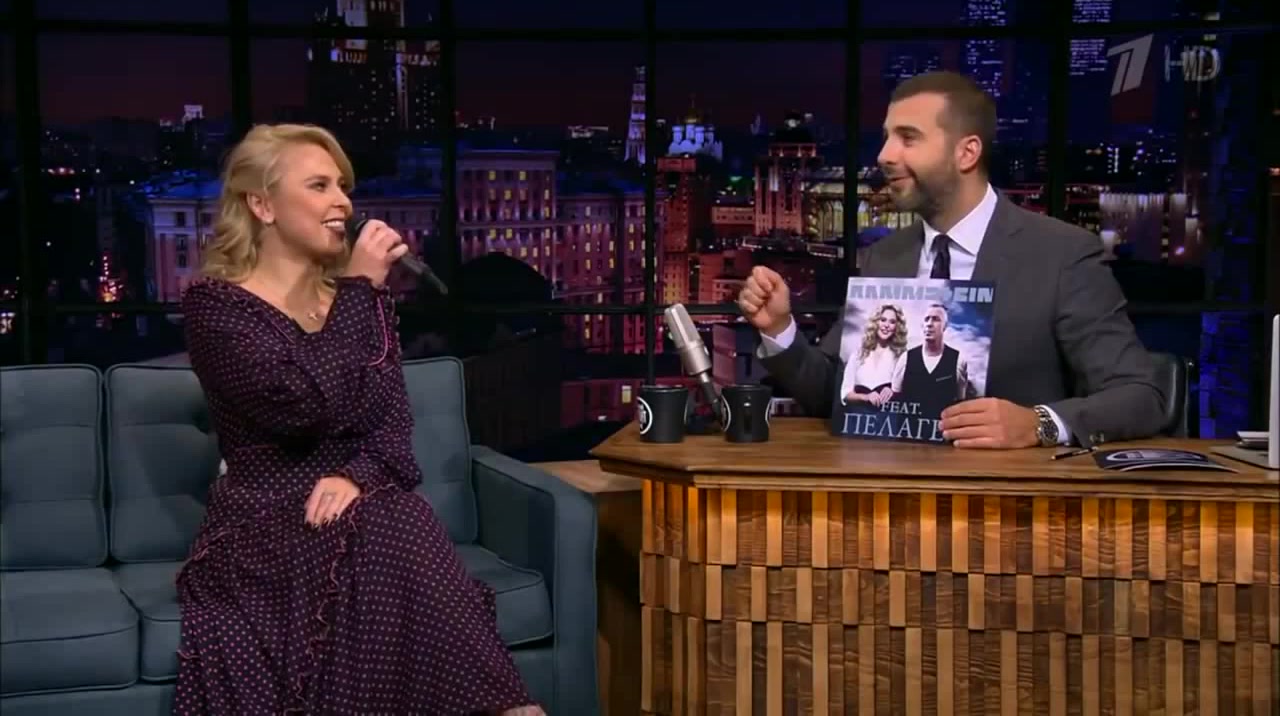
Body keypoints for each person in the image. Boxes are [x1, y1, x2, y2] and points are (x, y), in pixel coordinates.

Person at [176, 123, 542, 715]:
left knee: (388, 515)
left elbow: (393, 426)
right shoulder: (217, 308)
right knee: (394, 522)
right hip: (265, 520)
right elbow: (299, 406)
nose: (343, 203)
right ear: (262, 205)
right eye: (319, 186)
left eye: (343, 186)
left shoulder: (359, 303)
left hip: (361, 507)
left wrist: (356, 477)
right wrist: (358, 288)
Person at [737, 71, 1166, 449]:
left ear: (967, 153)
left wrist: (1039, 424)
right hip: (888, 495)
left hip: (1011, 503)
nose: (885, 155)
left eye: (908, 138)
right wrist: (779, 329)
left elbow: (1141, 396)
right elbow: (834, 392)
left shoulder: (1061, 255)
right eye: (886, 137)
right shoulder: (885, 256)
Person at [889, 302, 977, 416]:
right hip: (907, 426)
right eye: (926, 319)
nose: (929, 324)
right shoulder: (906, 359)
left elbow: (960, 400)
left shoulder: (958, 361)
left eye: (936, 319)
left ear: (945, 326)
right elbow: (895, 398)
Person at [838, 303, 908, 408]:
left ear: (897, 327)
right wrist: (866, 397)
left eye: (892, 322)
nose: (886, 325)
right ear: (875, 323)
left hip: (886, 414)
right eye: (883, 320)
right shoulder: (858, 355)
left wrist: (893, 390)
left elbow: (906, 392)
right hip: (858, 413)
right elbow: (845, 394)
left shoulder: (901, 357)